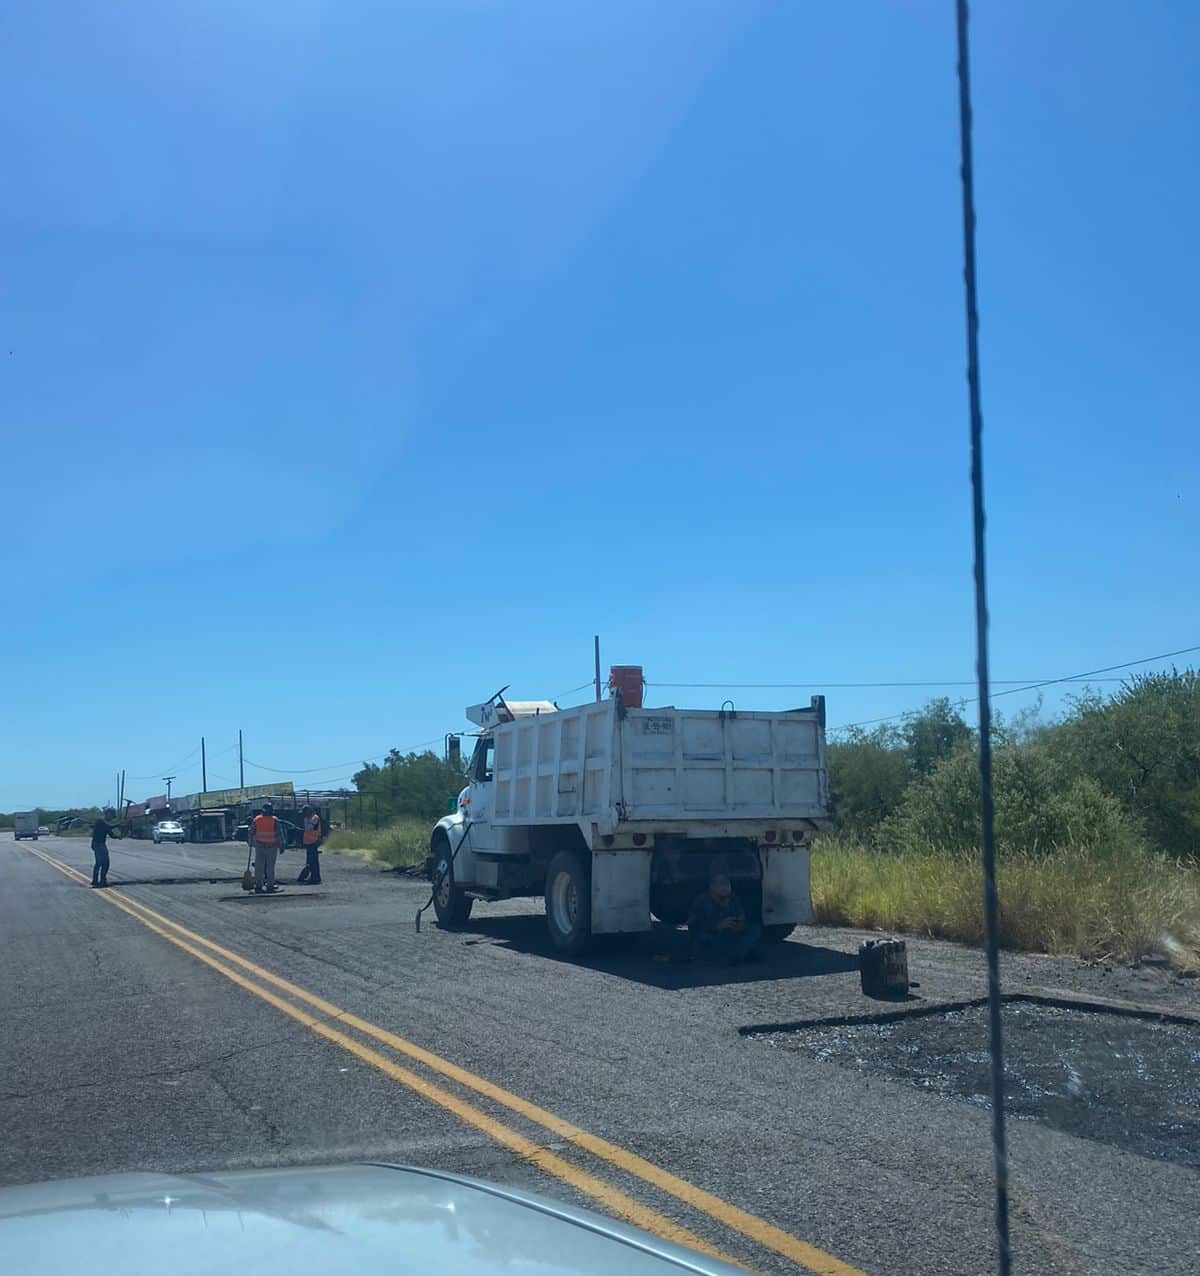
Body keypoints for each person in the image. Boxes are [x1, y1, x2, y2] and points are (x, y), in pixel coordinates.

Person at [686, 873, 763, 965]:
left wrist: (739, 926)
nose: (726, 899)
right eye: (721, 897)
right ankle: (736, 955)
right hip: (710, 934)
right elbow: (694, 926)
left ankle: (736, 954)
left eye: (727, 896)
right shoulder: (702, 902)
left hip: (730, 933)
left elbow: (741, 916)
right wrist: (718, 926)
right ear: (712, 892)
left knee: (755, 930)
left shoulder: (733, 899)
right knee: (706, 940)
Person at [250, 801, 283, 894]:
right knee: (270, 867)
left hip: (260, 846)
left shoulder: (257, 819)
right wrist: (281, 845)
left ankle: (258, 886)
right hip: (271, 846)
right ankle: (270, 886)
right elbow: (279, 834)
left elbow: (251, 831)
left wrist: (251, 843)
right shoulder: (274, 820)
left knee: (259, 867)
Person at [90, 808, 122, 888]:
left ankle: (96, 880)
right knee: (104, 863)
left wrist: (118, 836)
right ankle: (101, 881)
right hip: (98, 844)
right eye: (112, 816)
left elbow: (111, 834)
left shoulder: (105, 823)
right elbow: (109, 826)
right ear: (108, 814)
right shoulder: (100, 821)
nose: (112, 818)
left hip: (100, 844)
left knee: (100, 863)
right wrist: (118, 825)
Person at [297, 805, 323, 885]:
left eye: (305, 812)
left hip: (314, 842)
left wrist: (305, 824)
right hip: (308, 842)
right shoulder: (307, 818)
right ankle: (312, 876)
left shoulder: (315, 818)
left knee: (313, 861)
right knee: (310, 861)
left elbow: (309, 827)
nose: (304, 814)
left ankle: (315, 878)